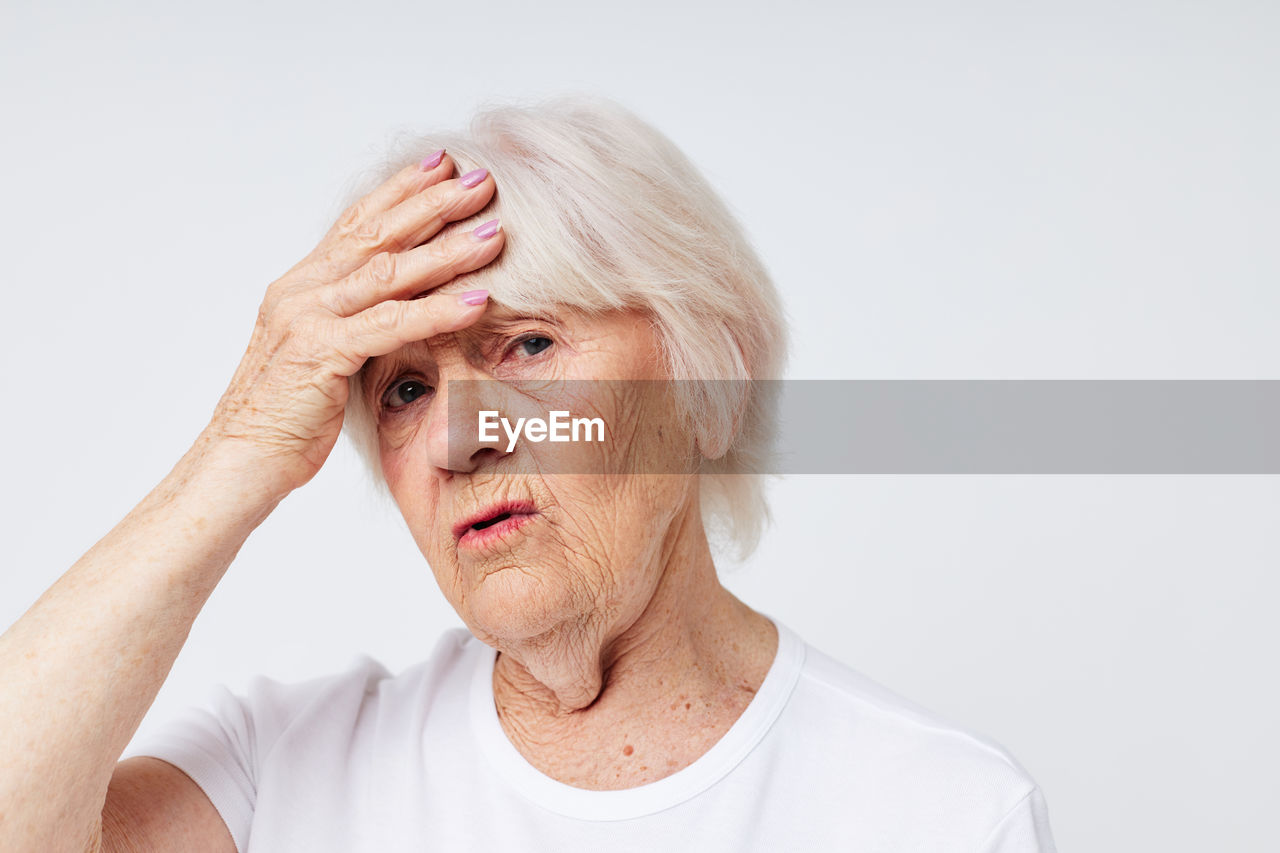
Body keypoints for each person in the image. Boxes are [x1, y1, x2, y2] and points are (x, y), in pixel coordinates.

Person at [0, 95, 1057, 852]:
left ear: (706, 383)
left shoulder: (940, 813)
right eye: (403, 390)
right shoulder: (275, 775)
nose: (457, 439)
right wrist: (238, 449)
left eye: (529, 345)